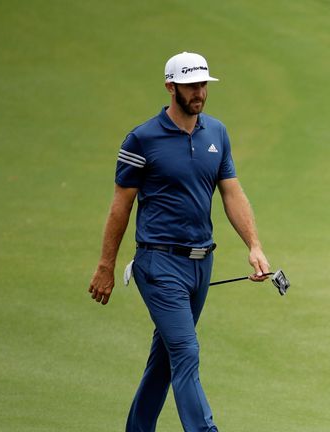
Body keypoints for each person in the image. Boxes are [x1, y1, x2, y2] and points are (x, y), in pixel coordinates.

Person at [88, 51, 269, 432]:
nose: (199, 92)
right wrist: (106, 265)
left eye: (203, 84)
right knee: (186, 352)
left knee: (167, 358)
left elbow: (232, 193)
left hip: (202, 263)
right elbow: (120, 207)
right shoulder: (141, 140)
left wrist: (254, 245)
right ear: (171, 87)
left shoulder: (216, 133)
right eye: (191, 85)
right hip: (158, 264)